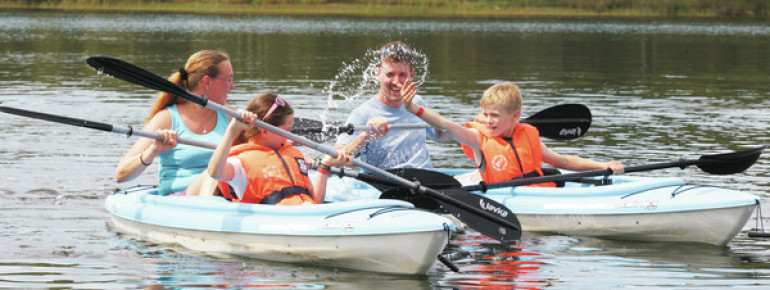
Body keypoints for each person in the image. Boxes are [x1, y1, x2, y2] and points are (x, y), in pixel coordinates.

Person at [402, 81, 625, 186]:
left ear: (515, 115)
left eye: (495, 115)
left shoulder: (528, 135)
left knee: (552, 169)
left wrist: (602, 165)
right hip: (503, 197)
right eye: (485, 114)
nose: (488, 120)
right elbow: (446, 124)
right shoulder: (478, 138)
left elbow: (563, 160)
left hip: (539, 190)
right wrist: (415, 109)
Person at [115, 50, 235, 196]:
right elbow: (121, 174)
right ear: (206, 82)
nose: (232, 86)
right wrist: (153, 150)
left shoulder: (232, 118)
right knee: (212, 175)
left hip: (221, 197)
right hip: (179, 200)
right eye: (229, 79)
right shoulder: (166, 119)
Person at [208, 94, 352, 204]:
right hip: (277, 223)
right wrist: (233, 129)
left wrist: (324, 166)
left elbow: (316, 200)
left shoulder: (293, 155)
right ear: (264, 131)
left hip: (308, 215)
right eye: (287, 130)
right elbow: (215, 172)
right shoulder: (240, 163)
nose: (290, 135)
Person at [335, 41, 449, 169]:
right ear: (377, 74)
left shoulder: (417, 103)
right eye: (390, 74)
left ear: (411, 75)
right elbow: (335, 159)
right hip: (387, 183)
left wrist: (472, 128)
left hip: (427, 180)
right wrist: (365, 136)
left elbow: (440, 134)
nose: (396, 82)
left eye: (402, 75)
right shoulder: (362, 114)